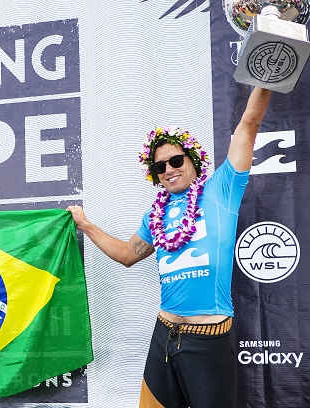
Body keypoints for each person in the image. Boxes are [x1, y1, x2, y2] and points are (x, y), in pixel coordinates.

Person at [67, 86, 272, 408]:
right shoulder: (155, 215)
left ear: (192, 161)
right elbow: (126, 255)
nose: (169, 169)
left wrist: (266, 77)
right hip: (164, 333)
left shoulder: (222, 190)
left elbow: (249, 122)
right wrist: (86, 225)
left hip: (209, 338)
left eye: (176, 160)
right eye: (160, 166)